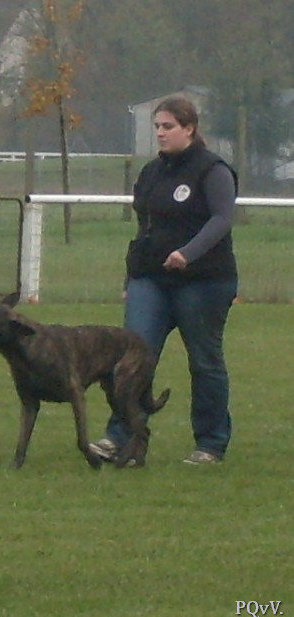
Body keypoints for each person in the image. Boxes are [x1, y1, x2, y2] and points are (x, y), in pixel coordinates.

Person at [89, 96, 238, 466]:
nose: (160, 133)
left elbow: (221, 219)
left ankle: (211, 443)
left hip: (203, 281)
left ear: (189, 128)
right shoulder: (152, 173)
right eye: (157, 126)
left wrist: (188, 253)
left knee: (204, 361)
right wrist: (131, 275)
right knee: (132, 359)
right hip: (151, 280)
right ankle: (122, 437)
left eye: (168, 126)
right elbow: (144, 229)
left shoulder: (212, 169)